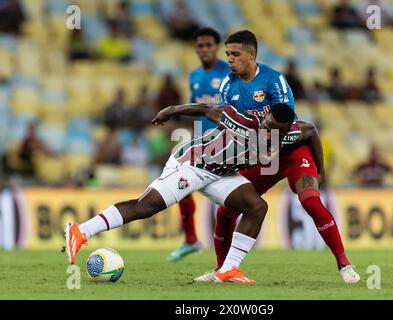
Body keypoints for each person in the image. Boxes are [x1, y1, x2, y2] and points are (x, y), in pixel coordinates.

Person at [193, 30, 359, 284]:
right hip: (260, 157)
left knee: (311, 201)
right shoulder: (228, 86)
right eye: (227, 54)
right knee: (226, 211)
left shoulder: (274, 81)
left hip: (292, 153)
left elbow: (298, 126)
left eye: (235, 54)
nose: (229, 59)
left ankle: (344, 264)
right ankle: (222, 270)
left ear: (252, 55)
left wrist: (320, 171)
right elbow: (231, 126)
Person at [65, 102, 296, 285]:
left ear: (285, 131)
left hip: (220, 173)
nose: (267, 134)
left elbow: (311, 133)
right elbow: (206, 110)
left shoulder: (286, 136)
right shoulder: (242, 120)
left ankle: (228, 270)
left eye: (275, 132)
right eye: (267, 127)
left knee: (257, 207)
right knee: (147, 206)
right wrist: (172, 110)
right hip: (192, 164)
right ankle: (81, 231)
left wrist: (317, 170)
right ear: (264, 119)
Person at [167, 27, 230, 262]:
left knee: (232, 197)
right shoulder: (194, 76)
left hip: (227, 143)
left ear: (216, 47)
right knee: (179, 183)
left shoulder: (229, 72)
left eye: (208, 45)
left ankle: (230, 251)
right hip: (201, 142)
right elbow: (197, 108)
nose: (204, 50)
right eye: (200, 46)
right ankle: (191, 239)